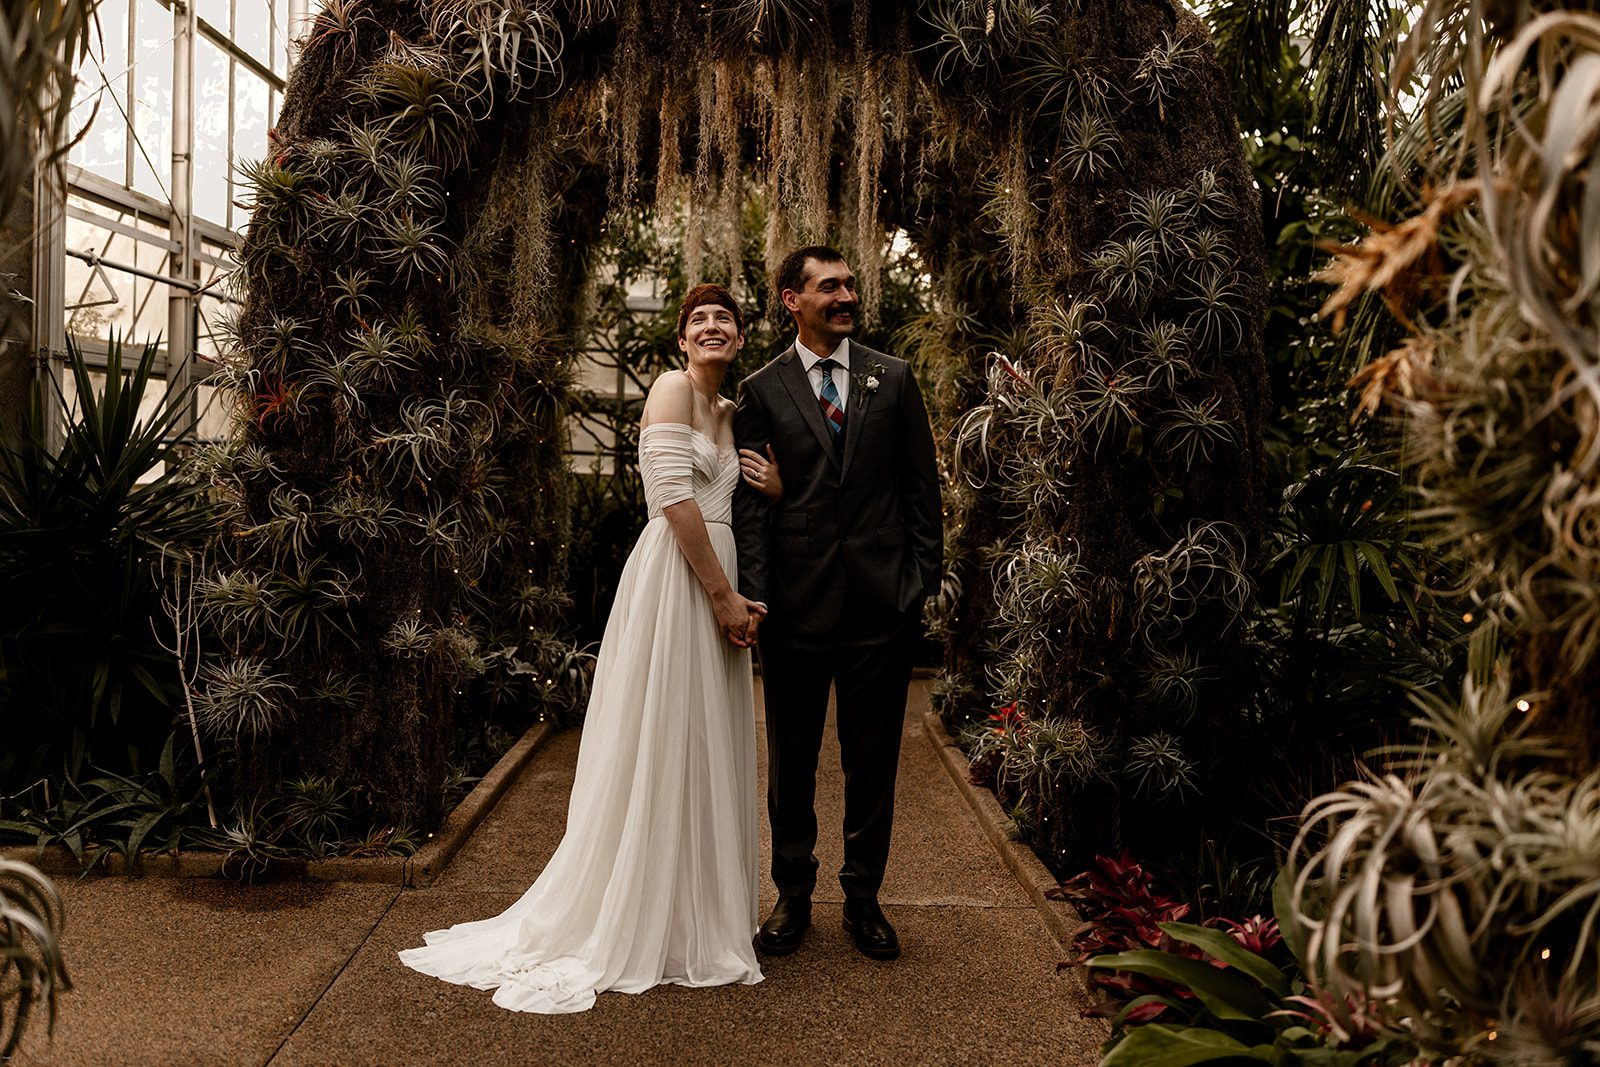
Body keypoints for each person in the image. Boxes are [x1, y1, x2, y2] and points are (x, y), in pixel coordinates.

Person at [399, 284, 782, 1013]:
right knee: (663, 734)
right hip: (681, 578)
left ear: (738, 339)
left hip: (717, 576)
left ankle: (699, 913)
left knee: (705, 741)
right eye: (697, 319)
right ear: (681, 340)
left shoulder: (735, 414)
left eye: (723, 320)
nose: (711, 327)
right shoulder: (672, 388)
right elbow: (671, 496)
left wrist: (779, 493)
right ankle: (645, 912)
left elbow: (748, 494)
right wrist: (721, 595)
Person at [732, 246, 943, 961]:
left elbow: (922, 492)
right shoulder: (761, 389)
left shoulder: (895, 377)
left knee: (872, 760)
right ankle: (793, 894)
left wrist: (918, 586)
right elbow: (751, 507)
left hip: (882, 608)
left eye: (850, 283)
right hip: (794, 607)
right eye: (830, 286)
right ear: (792, 299)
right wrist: (755, 597)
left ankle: (863, 898)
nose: (846, 294)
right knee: (792, 760)